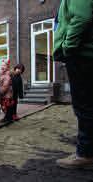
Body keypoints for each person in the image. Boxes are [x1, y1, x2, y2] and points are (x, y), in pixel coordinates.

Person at [53, 0, 93, 169]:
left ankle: (85, 154)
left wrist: (68, 47)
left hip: (82, 56)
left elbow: (82, 17)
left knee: (84, 106)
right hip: (85, 54)